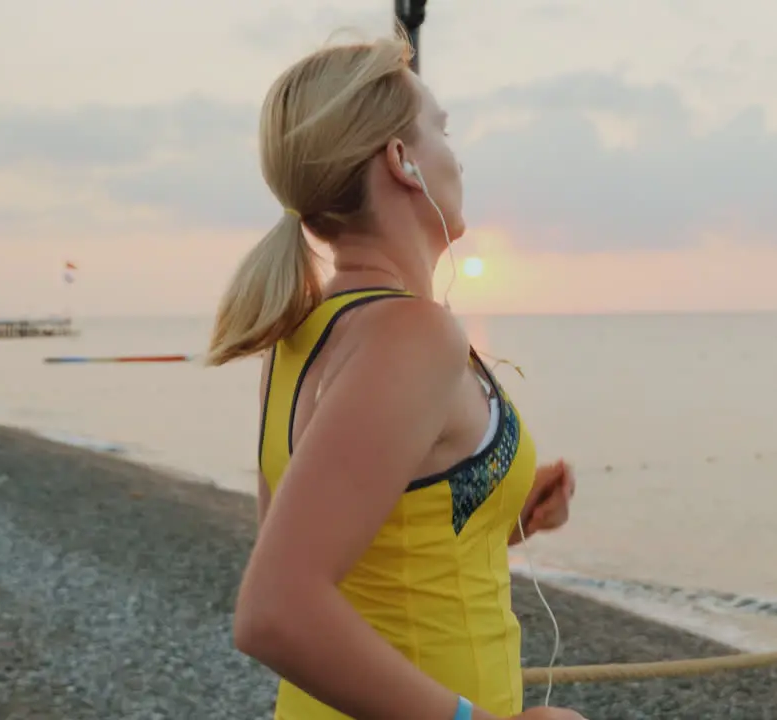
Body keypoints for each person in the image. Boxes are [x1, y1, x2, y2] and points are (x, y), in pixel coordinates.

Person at [204, 31, 584, 720]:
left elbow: (351, 552)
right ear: (402, 161)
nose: (457, 154)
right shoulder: (414, 336)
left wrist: (503, 518)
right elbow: (274, 611)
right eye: (440, 129)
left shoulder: (303, 334)